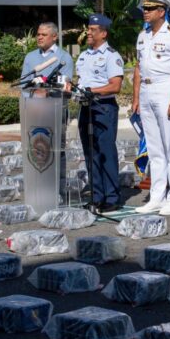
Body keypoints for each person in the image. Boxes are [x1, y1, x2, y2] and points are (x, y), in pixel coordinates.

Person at [133, 0, 170, 216]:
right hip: (146, 90)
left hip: (166, 87)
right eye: (144, 8)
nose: (145, 12)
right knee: (154, 148)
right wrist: (136, 97)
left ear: (161, 11)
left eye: (149, 9)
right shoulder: (143, 36)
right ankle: (157, 197)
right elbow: (138, 67)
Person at [74, 13, 125, 213]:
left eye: (93, 30)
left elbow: (115, 86)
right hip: (86, 106)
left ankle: (112, 197)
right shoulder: (84, 56)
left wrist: (92, 91)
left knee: (106, 152)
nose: (88, 32)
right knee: (90, 152)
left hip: (103, 107)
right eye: (88, 28)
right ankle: (97, 196)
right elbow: (81, 82)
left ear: (103, 33)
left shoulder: (112, 56)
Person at [20, 22, 74, 96]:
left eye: (44, 35)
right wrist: (35, 95)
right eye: (38, 34)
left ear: (54, 37)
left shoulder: (64, 57)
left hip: (55, 103)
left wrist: (47, 93)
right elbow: (23, 85)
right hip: (31, 102)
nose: (40, 37)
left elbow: (65, 88)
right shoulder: (30, 56)